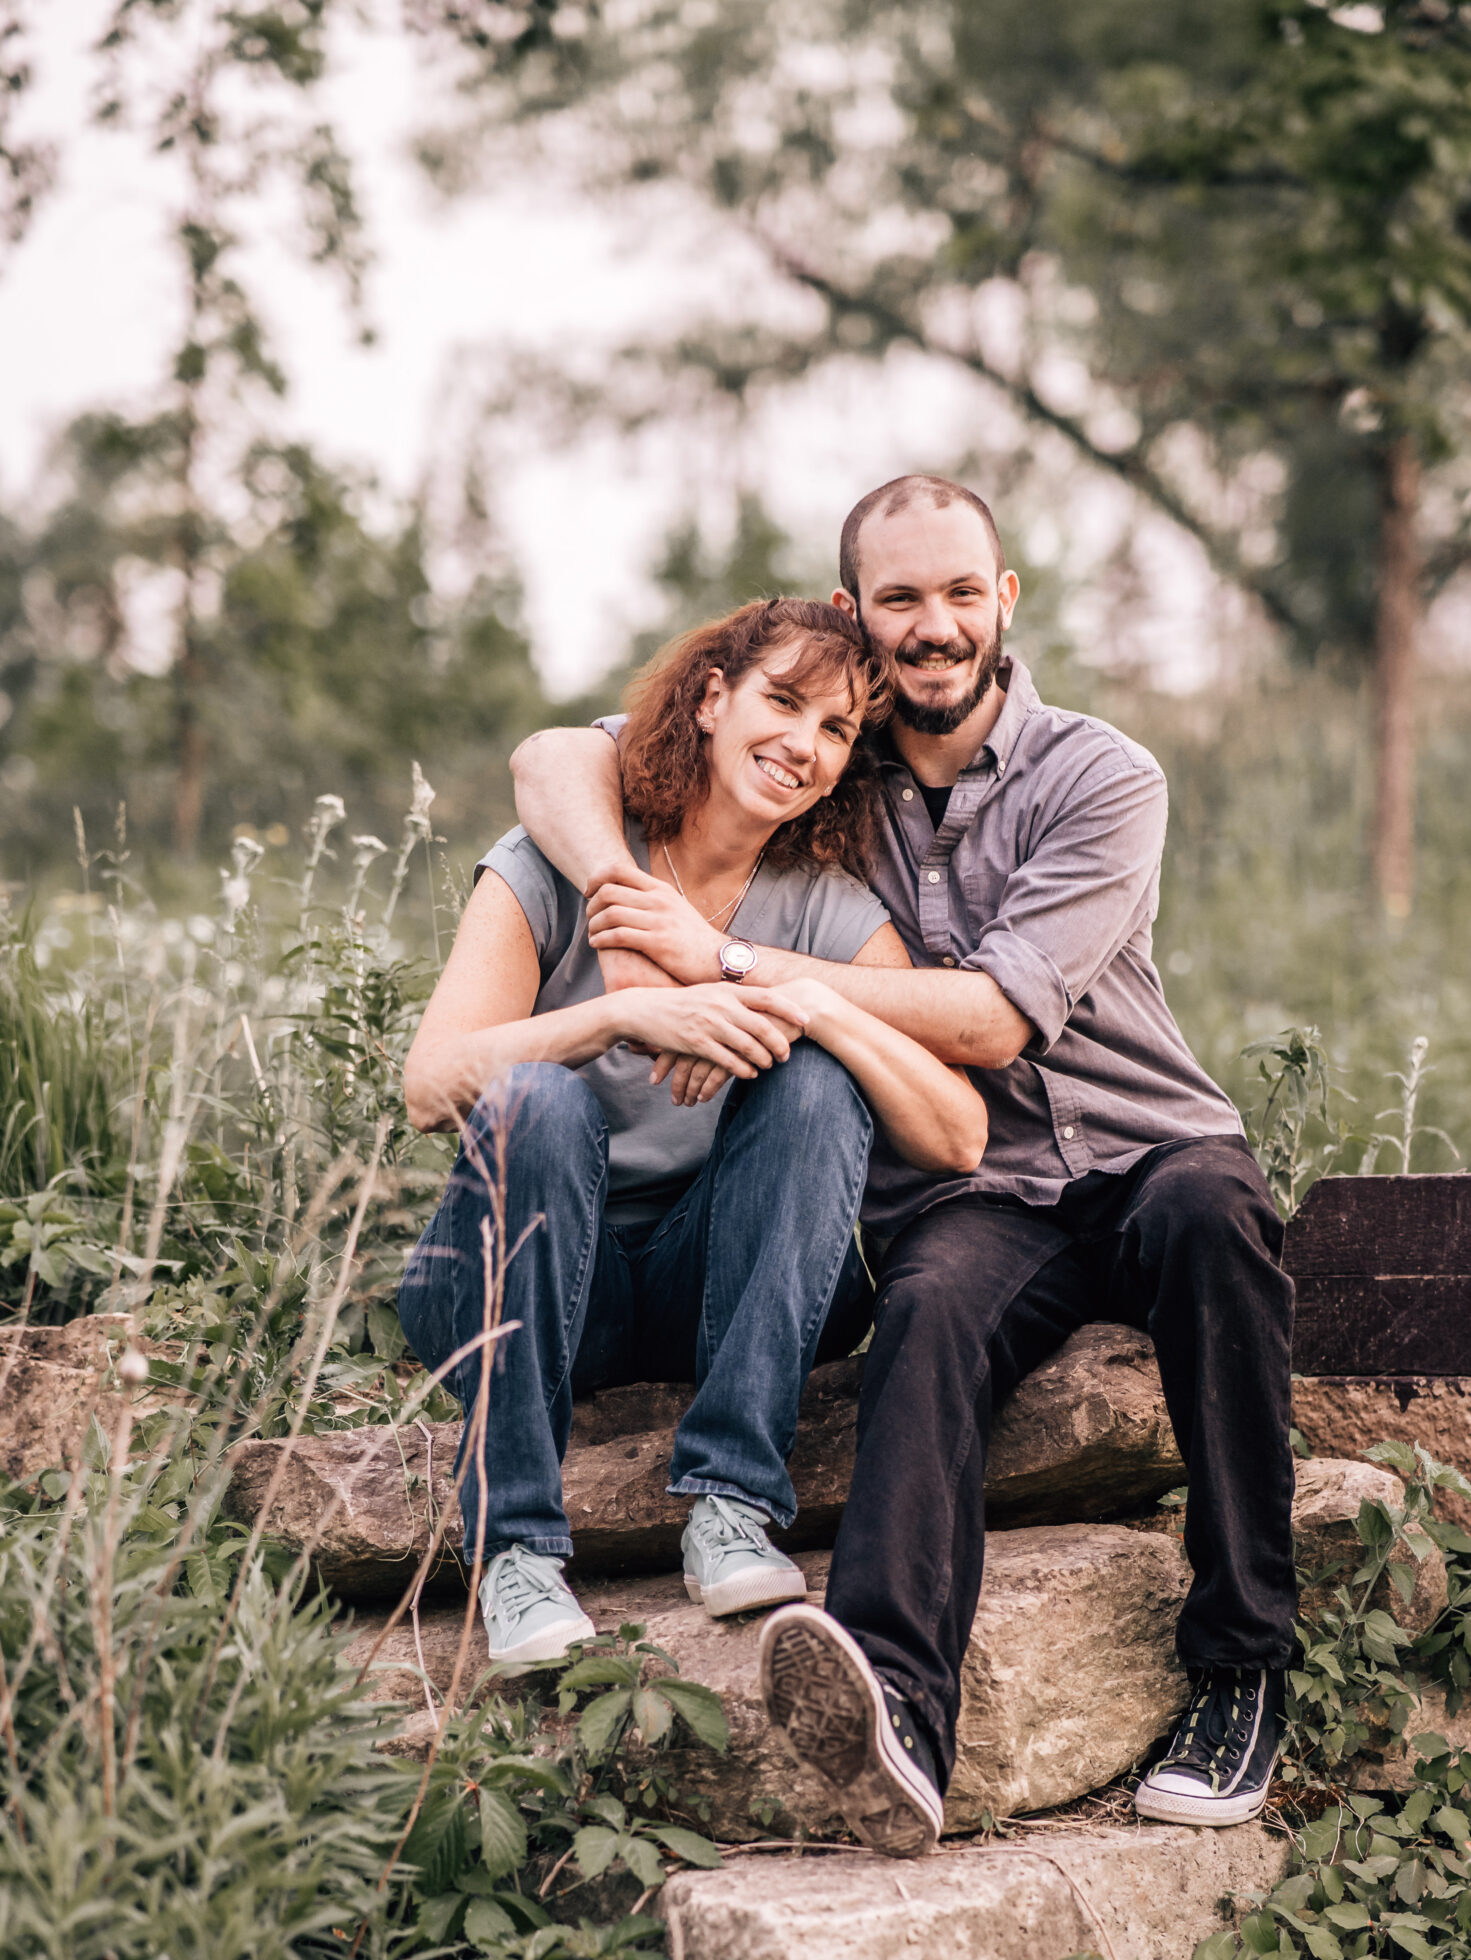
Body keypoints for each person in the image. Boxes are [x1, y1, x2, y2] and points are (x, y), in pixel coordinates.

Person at [509, 479, 1296, 1856]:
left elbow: (993, 1017)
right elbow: (556, 756)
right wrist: (621, 917)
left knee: (1216, 1215)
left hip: (1142, 1150)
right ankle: (894, 1709)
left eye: (956, 594)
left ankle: (1240, 1668)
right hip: (967, 1188)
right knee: (923, 1317)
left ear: (1004, 602)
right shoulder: (826, 759)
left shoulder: (1099, 775)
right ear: (857, 623)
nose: (932, 627)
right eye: (897, 602)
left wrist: (741, 969)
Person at [398, 595, 986, 1671]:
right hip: (519, 1283)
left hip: (698, 1291)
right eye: (785, 703)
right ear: (713, 699)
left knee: (820, 1079)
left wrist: (809, 1005)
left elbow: (957, 1130)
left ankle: (729, 1505)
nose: (803, 745)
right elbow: (430, 1085)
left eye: (836, 730)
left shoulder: (823, 909)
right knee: (541, 1096)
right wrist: (623, 1013)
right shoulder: (557, 859)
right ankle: (517, 1554)